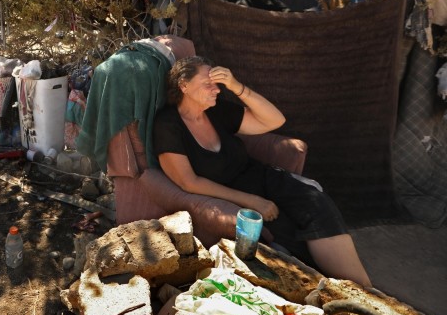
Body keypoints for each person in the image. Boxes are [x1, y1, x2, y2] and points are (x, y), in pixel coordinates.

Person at [152, 56, 372, 287]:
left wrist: (237, 87)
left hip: (263, 177)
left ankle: (367, 291)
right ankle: (349, 292)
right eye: (208, 83)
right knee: (288, 238)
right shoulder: (167, 125)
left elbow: (274, 120)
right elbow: (189, 182)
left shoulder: (217, 111)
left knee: (317, 206)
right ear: (183, 85)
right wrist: (251, 200)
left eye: (217, 83)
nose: (216, 89)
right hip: (236, 192)